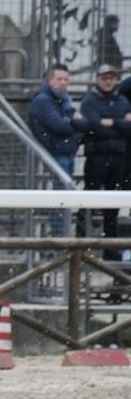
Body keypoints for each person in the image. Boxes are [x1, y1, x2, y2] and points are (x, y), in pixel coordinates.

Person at [28, 64, 89, 236]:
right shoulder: (43, 100)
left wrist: (71, 121)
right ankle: (58, 237)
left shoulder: (63, 100)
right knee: (60, 200)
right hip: (56, 153)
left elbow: (84, 124)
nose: (63, 83)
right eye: (59, 79)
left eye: (66, 80)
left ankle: (60, 236)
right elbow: (60, 125)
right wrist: (72, 121)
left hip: (66, 152)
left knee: (65, 199)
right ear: (49, 80)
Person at [78, 64, 131, 258]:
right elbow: (93, 126)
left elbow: (127, 129)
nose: (108, 82)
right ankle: (80, 243)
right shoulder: (90, 100)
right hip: (97, 155)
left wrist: (111, 122)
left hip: (118, 157)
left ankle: (110, 247)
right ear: (97, 79)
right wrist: (120, 123)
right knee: (89, 198)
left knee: (113, 202)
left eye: (111, 78)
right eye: (104, 78)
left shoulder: (122, 100)